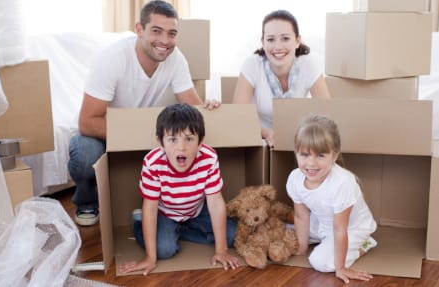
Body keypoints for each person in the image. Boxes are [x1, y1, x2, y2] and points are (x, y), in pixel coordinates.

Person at [67, 0, 219, 226]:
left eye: (172, 33)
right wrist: (132, 135)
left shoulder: (175, 59)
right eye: (156, 31)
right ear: (139, 30)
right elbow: (87, 122)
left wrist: (209, 107)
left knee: (179, 145)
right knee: (86, 152)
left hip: (142, 134)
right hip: (102, 134)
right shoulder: (113, 59)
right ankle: (87, 200)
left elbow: (193, 110)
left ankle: (167, 208)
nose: (165, 41)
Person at [119, 103, 239, 275]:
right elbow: (151, 207)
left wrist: (221, 251)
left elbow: (215, 203)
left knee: (231, 234)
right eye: (172, 139)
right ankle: (138, 223)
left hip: (195, 211)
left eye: (189, 139)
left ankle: (180, 232)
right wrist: (150, 258)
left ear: (200, 142)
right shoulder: (152, 162)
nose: (181, 147)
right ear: (160, 142)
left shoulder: (209, 158)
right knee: (164, 250)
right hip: (165, 213)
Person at [286, 115, 377, 284]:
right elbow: (301, 216)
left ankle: (366, 244)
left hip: (350, 228)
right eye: (304, 155)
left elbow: (339, 229)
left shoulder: (342, 183)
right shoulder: (295, 178)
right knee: (286, 235)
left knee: (319, 262)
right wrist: (301, 248)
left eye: (320, 156)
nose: (311, 163)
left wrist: (340, 267)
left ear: (334, 156)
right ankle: (320, 242)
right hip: (322, 222)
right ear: (296, 153)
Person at [232, 10, 330, 147]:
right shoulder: (252, 64)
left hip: (298, 139)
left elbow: (326, 114)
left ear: (297, 41)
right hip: (259, 138)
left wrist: (301, 136)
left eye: (285, 38)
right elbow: (238, 114)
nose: (278, 47)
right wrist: (267, 133)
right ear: (263, 42)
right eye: (271, 39)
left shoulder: (308, 64)